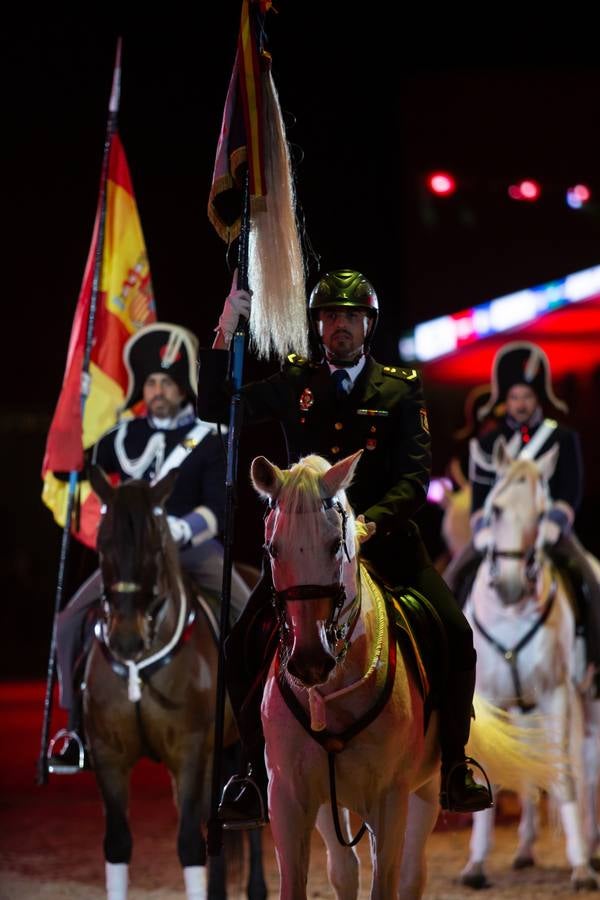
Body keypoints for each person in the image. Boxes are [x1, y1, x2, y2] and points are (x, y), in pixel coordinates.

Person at [197, 268, 493, 826]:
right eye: (330, 316)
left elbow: (415, 478)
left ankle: (454, 764)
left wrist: (369, 525)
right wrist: (226, 326)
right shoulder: (295, 383)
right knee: (240, 643)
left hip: (384, 544)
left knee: (454, 632)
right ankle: (252, 774)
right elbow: (217, 405)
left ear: (368, 325)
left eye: (351, 317)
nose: (340, 326)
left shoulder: (400, 387)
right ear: (318, 325)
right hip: (307, 554)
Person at [48, 321, 251, 773]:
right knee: (67, 622)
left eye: (168, 383)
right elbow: (74, 466)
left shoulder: (208, 435)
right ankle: (75, 729)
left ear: (183, 389)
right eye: (153, 383)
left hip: (193, 548)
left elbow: (218, 508)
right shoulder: (123, 436)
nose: (158, 390)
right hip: (135, 557)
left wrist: (179, 531)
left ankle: (253, 721)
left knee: (249, 609)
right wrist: (75, 408)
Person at [447, 340, 600, 680]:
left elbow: (570, 488)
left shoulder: (562, 438)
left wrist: (555, 522)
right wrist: (483, 528)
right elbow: (481, 496)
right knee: (452, 578)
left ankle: (593, 661)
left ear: (538, 398)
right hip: (498, 532)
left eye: (527, 397)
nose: (520, 404)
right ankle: (450, 669)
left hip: (550, 529)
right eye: (515, 398)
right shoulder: (486, 445)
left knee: (591, 580)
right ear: (505, 399)